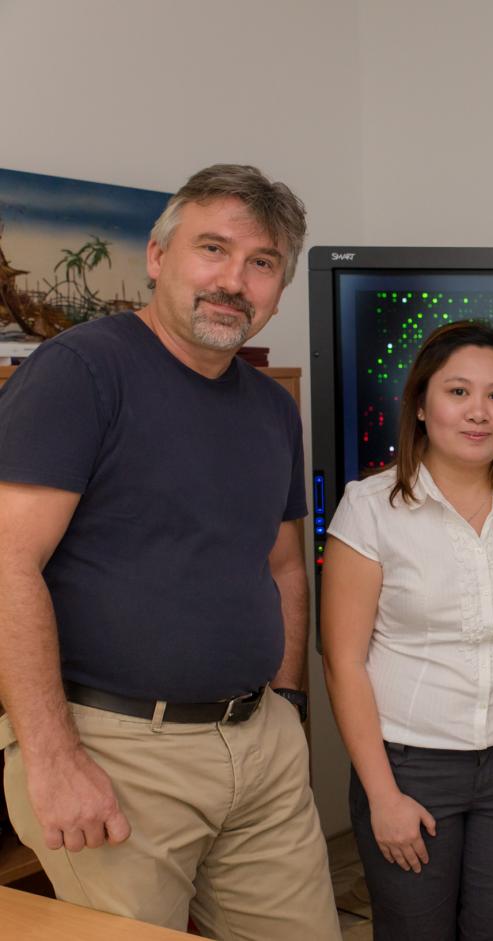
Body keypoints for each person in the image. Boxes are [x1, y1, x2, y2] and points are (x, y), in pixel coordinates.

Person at [0, 165, 340, 938]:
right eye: (212, 249)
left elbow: (284, 566)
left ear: (279, 287)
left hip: (258, 744)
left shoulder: (269, 408)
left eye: (261, 263)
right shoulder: (81, 372)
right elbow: (6, 566)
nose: (234, 280)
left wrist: (285, 706)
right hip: (116, 750)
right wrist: (53, 761)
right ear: (158, 256)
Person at [322, 320, 493, 940]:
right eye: (458, 392)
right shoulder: (370, 507)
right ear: (420, 404)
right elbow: (343, 661)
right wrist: (383, 796)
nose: (479, 413)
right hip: (410, 768)